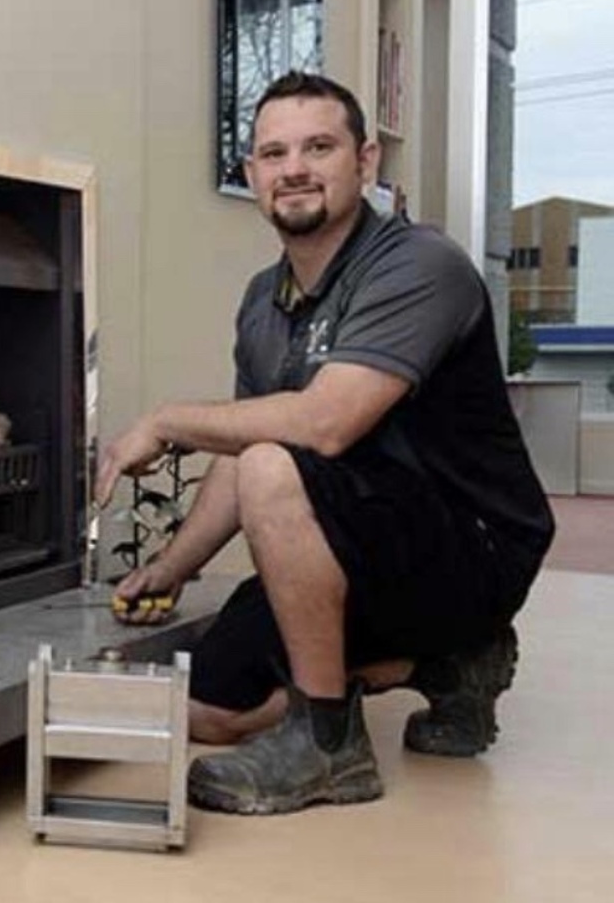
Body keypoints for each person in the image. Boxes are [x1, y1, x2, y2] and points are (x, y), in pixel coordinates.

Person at [94, 70, 554, 816]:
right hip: (359, 540)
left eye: (318, 146)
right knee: (208, 705)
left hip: (471, 549)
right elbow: (241, 453)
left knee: (281, 461)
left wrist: (166, 419)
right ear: (251, 175)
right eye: (273, 154)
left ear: (364, 162)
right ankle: (442, 667)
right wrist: (169, 568)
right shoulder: (261, 300)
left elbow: (322, 424)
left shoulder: (418, 266)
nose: (294, 168)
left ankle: (328, 748)